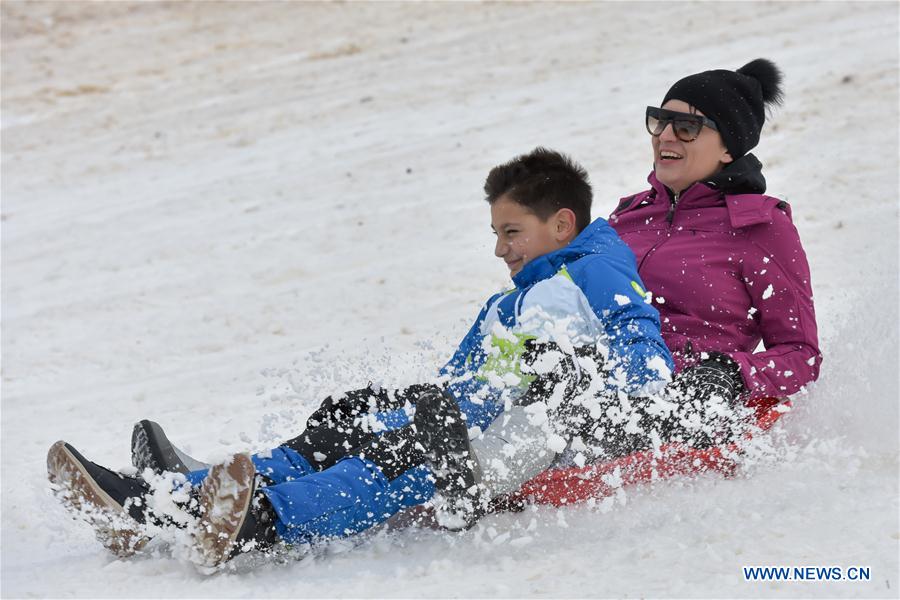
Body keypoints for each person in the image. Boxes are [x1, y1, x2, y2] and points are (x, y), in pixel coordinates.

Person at [48, 148, 674, 568]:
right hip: (470, 418)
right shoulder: (505, 303)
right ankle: (169, 496)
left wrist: (571, 375)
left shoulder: (595, 272)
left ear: (562, 225)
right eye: (496, 234)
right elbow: (457, 381)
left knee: (391, 456)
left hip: (513, 442)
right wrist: (402, 409)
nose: (500, 250)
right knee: (351, 422)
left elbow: (647, 361)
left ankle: (254, 521)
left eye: (511, 233)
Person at [609, 58, 821, 425]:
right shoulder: (628, 216)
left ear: (728, 149)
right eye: (660, 121)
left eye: (688, 126)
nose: (666, 135)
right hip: (598, 376)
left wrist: (730, 373)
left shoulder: (759, 227)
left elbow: (801, 355)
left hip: (682, 402)